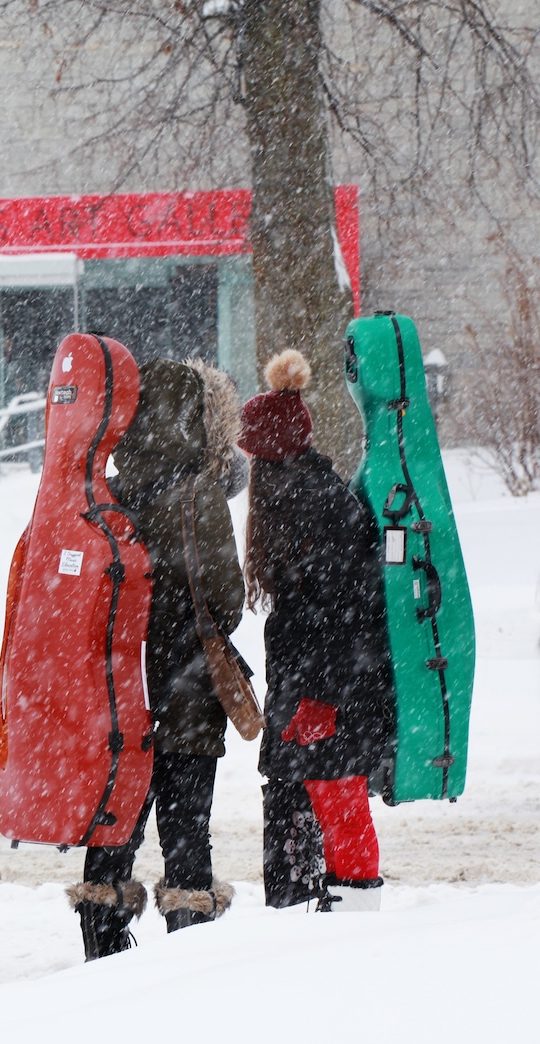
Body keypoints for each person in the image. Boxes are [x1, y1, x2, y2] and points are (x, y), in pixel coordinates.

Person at [68, 359, 246, 960]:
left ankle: (102, 944)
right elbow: (226, 598)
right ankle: (187, 955)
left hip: (121, 692)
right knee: (186, 823)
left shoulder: (105, 493)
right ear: (198, 418)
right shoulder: (198, 493)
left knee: (117, 816)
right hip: (187, 687)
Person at [240, 349, 393, 912]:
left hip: (330, 696)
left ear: (271, 453)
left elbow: (349, 614)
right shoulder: (297, 497)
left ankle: (343, 922)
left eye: (254, 453)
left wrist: (321, 700)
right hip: (306, 691)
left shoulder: (316, 505)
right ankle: (300, 916)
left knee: (337, 804)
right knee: (301, 807)